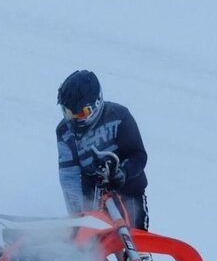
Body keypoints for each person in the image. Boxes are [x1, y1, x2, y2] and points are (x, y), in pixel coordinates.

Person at [55, 69, 149, 230]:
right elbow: (70, 177)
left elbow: (138, 155)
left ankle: (134, 255)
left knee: (135, 243)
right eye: (68, 113)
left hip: (129, 192)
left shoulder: (119, 116)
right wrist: (77, 216)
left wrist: (123, 172)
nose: (74, 118)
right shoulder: (65, 132)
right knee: (91, 248)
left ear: (96, 103)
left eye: (81, 113)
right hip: (93, 199)